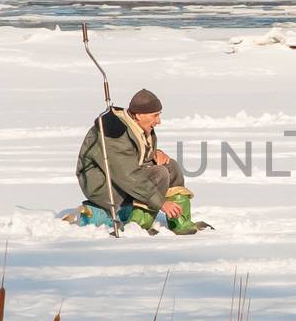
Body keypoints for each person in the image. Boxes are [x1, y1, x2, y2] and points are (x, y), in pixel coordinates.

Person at [74, 88, 209, 235]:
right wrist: (162, 203)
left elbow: (134, 157)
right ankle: (138, 226)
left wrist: (154, 153)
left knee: (170, 166)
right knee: (160, 173)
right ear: (138, 115)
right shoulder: (114, 133)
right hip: (102, 187)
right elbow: (129, 176)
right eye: (155, 115)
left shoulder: (137, 126)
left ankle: (180, 222)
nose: (159, 121)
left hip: (120, 179)